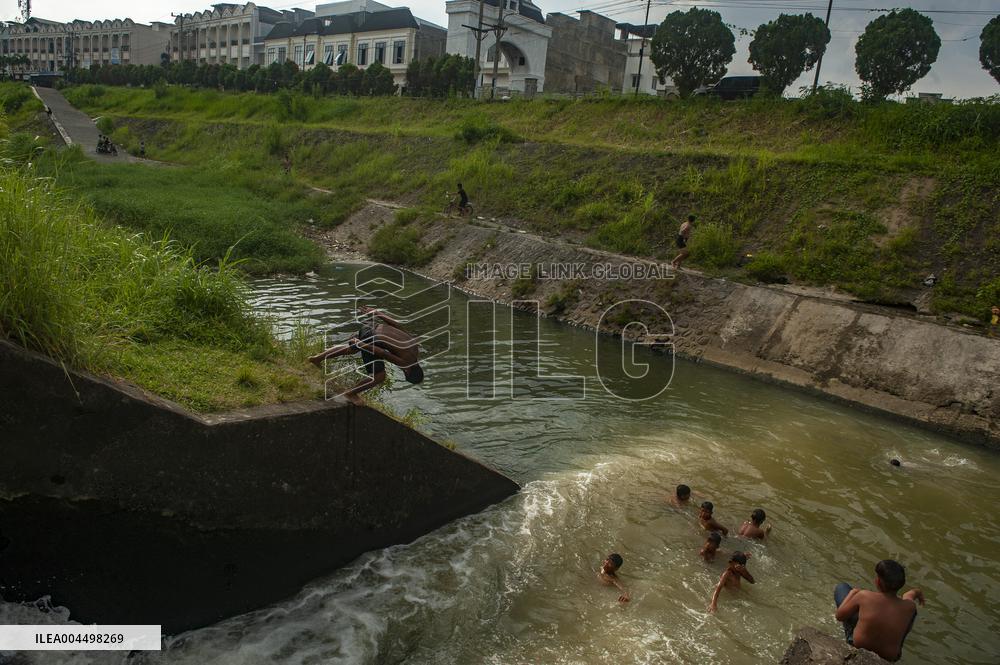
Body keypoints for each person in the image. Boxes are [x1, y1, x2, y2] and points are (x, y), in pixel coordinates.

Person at [308, 306, 424, 405]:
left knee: (350, 349)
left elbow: (397, 325)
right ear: (407, 372)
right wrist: (361, 344)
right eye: (404, 372)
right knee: (379, 376)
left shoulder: (415, 348)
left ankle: (316, 359)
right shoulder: (405, 363)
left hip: (372, 326)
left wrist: (376, 312)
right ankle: (351, 393)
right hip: (371, 338)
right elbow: (381, 353)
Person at [834, 560, 925, 662]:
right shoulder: (910, 607)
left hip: (859, 646)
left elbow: (839, 616)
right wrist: (917, 592)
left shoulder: (864, 596)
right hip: (890, 657)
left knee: (841, 587)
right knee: (909, 615)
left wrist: (852, 593)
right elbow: (908, 596)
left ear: (878, 581)